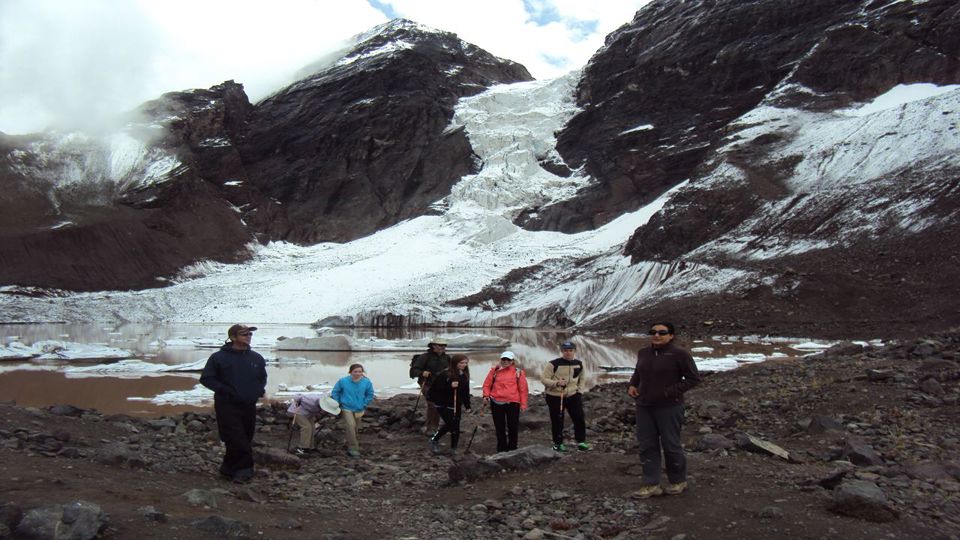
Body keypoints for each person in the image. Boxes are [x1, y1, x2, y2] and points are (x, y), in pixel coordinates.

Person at [627, 322, 701, 498]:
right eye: (653, 332)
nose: (657, 335)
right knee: (647, 445)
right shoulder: (644, 353)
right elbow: (638, 372)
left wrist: (670, 392)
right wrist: (632, 385)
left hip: (669, 407)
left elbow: (693, 378)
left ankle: (678, 481)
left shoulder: (679, 354)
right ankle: (651, 484)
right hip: (644, 406)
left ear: (671, 335)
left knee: (671, 444)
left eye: (662, 332)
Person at [199, 324, 267, 483]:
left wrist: (258, 391)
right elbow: (207, 378)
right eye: (244, 334)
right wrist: (225, 391)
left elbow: (261, 378)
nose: (249, 337)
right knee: (236, 437)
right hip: (227, 405)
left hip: (249, 405)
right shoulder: (219, 358)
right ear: (233, 337)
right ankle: (245, 470)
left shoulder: (256, 358)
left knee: (245, 436)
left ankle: (228, 468)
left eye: (250, 334)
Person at [541, 341, 589, 452]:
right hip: (555, 396)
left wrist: (580, 391)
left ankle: (581, 441)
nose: (568, 353)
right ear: (562, 351)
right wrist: (556, 383)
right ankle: (558, 443)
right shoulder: (553, 364)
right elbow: (544, 379)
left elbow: (582, 378)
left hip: (573, 395)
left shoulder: (579, 363)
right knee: (558, 420)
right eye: (566, 351)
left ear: (574, 351)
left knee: (579, 418)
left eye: (570, 350)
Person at [482, 350, 529, 452]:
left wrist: (523, 404)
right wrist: (485, 395)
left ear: (512, 361)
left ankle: (513, 447)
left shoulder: (518, 372)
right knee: (499, 427)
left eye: (508, 359)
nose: (505, 361)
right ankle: (501, 448)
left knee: (513, 426)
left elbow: (523, 389)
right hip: (496, 402)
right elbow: (487, 385)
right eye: (504, 359)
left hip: (513, 403)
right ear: (501, 360)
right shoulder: (494, 371)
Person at [427, 354, 472, 454]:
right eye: (461, 363)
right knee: (450, 424)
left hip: (456, 404)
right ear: (455, 363)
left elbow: (465, 392)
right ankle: (434, 440)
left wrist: (467, 406)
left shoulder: (464, 375)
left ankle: (453, 448)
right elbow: (436, 389)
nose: (464, 365)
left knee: (456, 426)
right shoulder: (445, 374)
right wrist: (449, 386)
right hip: (443, 404)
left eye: (465, 363)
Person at [331, 363, 375, 458]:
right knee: (351, 425)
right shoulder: (343, 381)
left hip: (359, 408)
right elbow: (335, 392)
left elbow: (370, 394)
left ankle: (349, 442)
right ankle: (353, 449)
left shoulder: (366, 382)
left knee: (356, 428)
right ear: (350, 372)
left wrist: (364, 403)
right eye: (355, 371)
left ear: (362, 372)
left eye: (360, 371)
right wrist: (338, 402)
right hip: (346, 407)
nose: (357, 373)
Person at [409, 339, 451, 434]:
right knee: (432, 404)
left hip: (441, 385)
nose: (442, 347)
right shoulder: (425, 357)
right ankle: (431, 428)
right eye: (439, 345)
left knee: (439, 405)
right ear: (433, 346)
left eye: (444, 345)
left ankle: (435, 427)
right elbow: (413, 371)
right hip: (427, 383)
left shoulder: (447, 358)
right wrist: (422, 372)